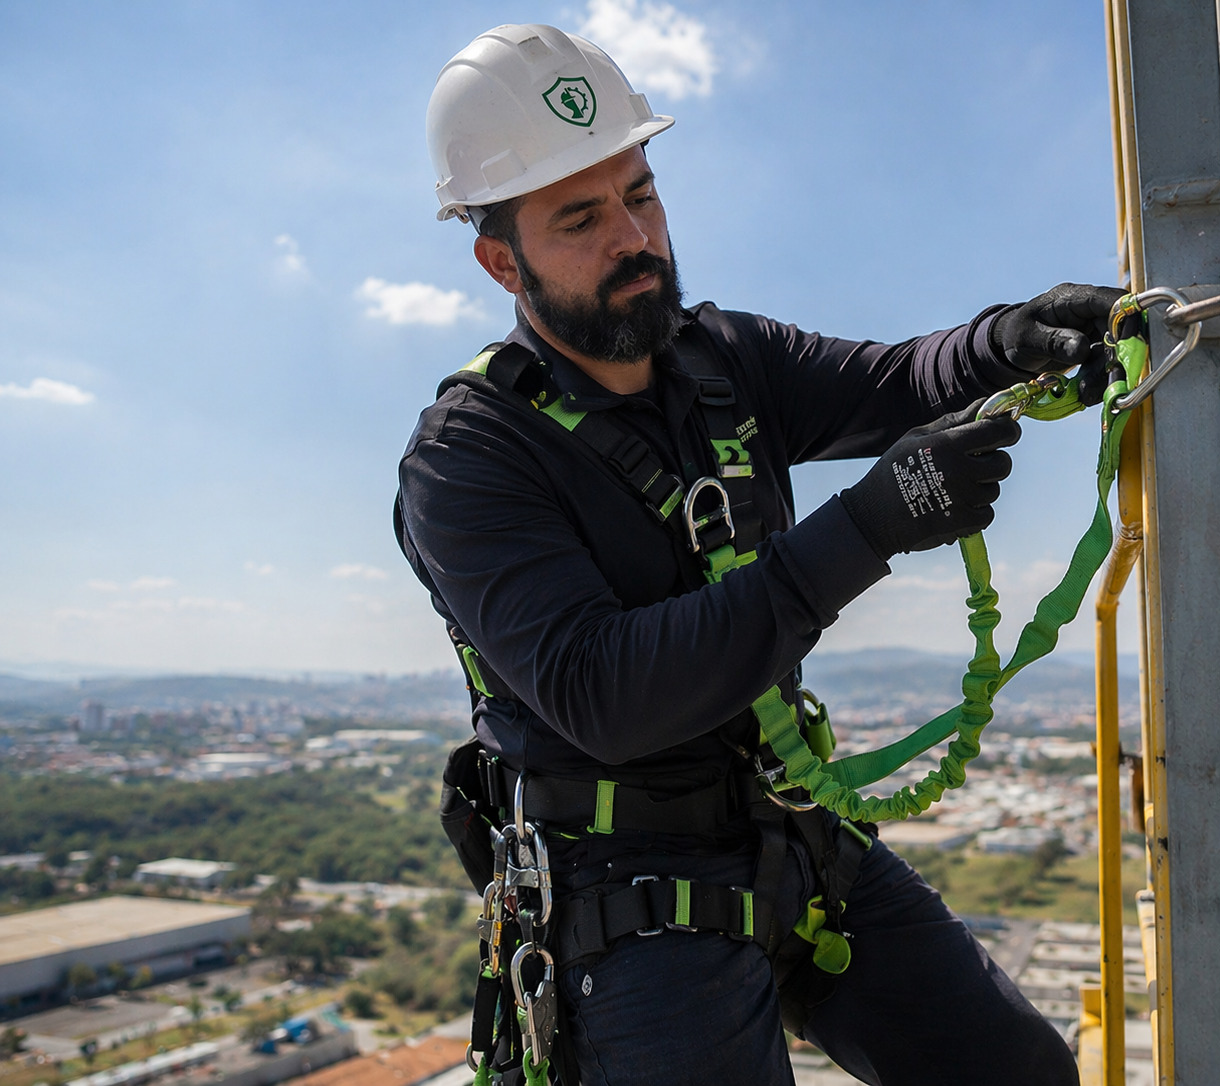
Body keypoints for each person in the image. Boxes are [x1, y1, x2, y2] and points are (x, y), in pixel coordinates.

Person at [397, 23, 1119, 1086]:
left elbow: (894, 382)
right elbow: (604, 694)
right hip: (624, 885)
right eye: (580, 219)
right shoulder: (470, 457)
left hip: (789, 827)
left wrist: (1005, 338)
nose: (632, 238)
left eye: (640, 195)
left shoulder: (722, 361)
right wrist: (869, 525)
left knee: (1018, 1074)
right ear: (500, 259)